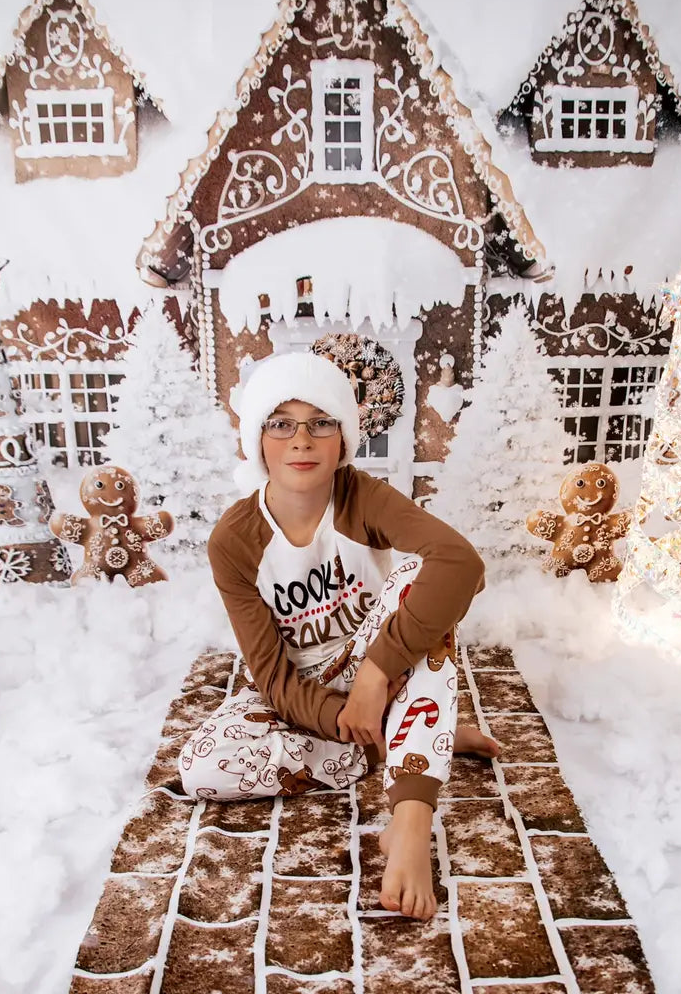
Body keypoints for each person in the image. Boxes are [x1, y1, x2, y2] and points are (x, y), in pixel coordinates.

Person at [178, 351, 498, 920]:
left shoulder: (361, 496)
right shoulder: (234, 539)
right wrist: (345, 716)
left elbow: (459, 562)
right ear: (258, 441)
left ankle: (410, 820)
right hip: (306, 694)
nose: (302, 439)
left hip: (380, 660)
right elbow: (273, 678)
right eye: (281, 424)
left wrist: (375, 676)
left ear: (343, 438)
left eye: (320, 421)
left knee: (424, 583)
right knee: (201, 766)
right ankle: (419, 733)